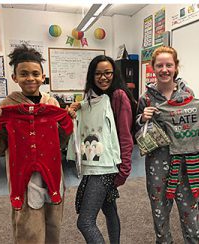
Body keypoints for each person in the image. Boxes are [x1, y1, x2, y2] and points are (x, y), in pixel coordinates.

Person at [0, 44, 73, 243]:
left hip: (53, 176)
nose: (30, 78)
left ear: (43, 77)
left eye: (35, 73)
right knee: (28, 232)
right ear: (15, 78)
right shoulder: (7, 106)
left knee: (53, 227)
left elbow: (60, 141)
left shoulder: (52, 104)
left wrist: (66, 122)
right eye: (24, 73)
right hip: (24, 182)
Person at [135, 45, 199, 244]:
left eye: (169, 65)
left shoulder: (188, 95)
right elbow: (136, 131)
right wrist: (142, 118)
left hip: (186, 164)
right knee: (160, 213)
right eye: (160, 65)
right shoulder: (146, 98)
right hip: (157, 164)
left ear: (176, 67)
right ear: (153, 68)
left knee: (190, 212)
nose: (164, 69)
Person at [69, 55, 136, 243]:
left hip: (106, 166)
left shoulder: (118, 96)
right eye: (98, 73)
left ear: (114, 74)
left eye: (108, 73)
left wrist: (124, 170)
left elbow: (125, 135)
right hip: (94, 161)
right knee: (109, 209)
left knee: (85, 222)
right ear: (92, 75)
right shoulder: (92, 97)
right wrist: (77, 107)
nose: (103, 77)